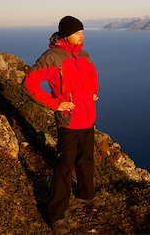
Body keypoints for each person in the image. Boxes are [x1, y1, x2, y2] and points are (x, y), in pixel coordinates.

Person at [23, 16, 103, 234]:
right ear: (67, 35)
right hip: (69, 121)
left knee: (86, 158)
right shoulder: (52, 58)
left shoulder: (83, 55)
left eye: (82, 32)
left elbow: (93, 74)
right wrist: (55, 104)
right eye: (79, 33)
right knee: (64, 167)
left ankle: (86, 193)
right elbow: (29, 83)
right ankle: (57, 215)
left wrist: (94, 91)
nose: (83, 36)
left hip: (87, 119)